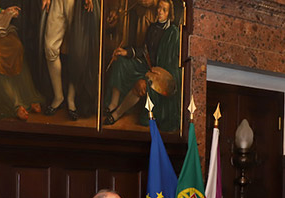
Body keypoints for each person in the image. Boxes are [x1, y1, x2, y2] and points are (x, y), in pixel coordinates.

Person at [102, 0, 181, 132]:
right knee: (120, 61)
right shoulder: (152, 28)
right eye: (159, 8)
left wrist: (157, 73)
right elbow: (144, 51)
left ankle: (116, 114)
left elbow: (173, 64)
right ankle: (112, 104)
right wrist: (126, 52)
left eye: (164, 10)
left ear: (169, 14)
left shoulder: (173, 33)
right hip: (146, 66)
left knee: (141, 85)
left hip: (159, 74)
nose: (159, 11)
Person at [41, 0, 100, 121]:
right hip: (57, 2)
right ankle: (58, 96)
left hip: (78, 3)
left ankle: (71, 99)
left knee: (77, 52)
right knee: (50, 48)